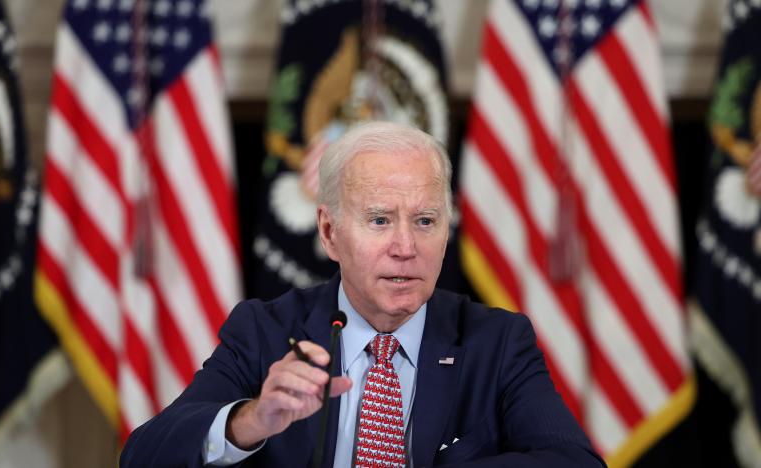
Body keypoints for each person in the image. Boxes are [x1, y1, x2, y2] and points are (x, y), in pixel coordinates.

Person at [120, 121, 605, 467]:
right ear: (330, 233)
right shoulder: (266, 331)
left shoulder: (496, 342)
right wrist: (250, 422)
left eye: (425, 221)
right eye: (379, 220)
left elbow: (573, 460)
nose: (405, 247)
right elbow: (143, 455)